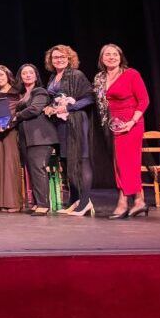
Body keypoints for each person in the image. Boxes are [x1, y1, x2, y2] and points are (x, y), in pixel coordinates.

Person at [94, 44, 150, 219]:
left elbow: (144, 100)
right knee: (121, 163)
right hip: (113, 123)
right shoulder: (100, 78)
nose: (111, 57)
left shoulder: (131, 74)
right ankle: (139, 200)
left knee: (126, 163)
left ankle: (123, 201)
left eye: (115, 54)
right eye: (107, 55)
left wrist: (132, 122)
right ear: (102, 59)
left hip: (131, 122)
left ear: (120, 57)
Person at [43, 44, 95, 217]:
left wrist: (70, 108)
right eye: (55, 57)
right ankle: (74, 200)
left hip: (76, 121)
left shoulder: (76, 74)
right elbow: (54, 99)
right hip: (60, 125)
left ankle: (86, 202)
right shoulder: (53, 77)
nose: (58, 60)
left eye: (62, 57)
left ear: (69, 58)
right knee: (66, 161)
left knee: (81, 160)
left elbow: (89, 97)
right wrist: (50, 107)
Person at [13, 64, 57, 216]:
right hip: (27, 138)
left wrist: (16, 116)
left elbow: (35, 109)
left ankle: (43, 205)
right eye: (24, 73)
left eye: (31, 72)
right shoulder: (22, 95)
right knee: (32, 170)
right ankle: (38, 202)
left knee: (38, 169)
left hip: (40, 137)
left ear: (36, 76)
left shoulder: (40, 91)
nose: (28, 75)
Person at [0, 65, 23, 212]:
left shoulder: (16, 93)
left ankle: (14, 203)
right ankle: (2, 202)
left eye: (1, 75)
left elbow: (18, 112)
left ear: (8, 75)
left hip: (11, 131)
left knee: (10, 165)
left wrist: (9, 124)